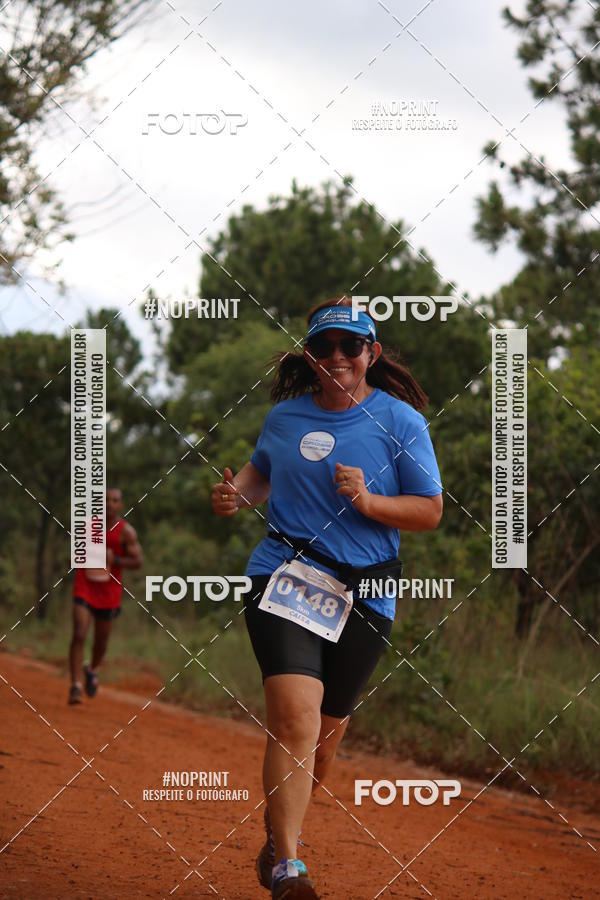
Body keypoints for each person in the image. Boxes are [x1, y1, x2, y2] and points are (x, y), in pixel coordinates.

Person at [211, 297, 443, 899]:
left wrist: (369, 503)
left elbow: (429, 510)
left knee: (325, 738)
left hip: (368, 589)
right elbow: (260, 473)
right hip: (285, 576)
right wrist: (237, 493)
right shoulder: (284, 419)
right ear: (310, 356)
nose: (336, 356)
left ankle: (275, 835)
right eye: (324, 347)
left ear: (372, 354)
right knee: (295, 719)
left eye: (350, 346)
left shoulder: (401, 423)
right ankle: (289, 868)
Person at [68, 487, 143, 705]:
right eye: (106, 500)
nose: (110, 504)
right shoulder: (87, 527)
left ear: (120, 505)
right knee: (79, 633)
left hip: (110, 590)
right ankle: (75, 686)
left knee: (101, 642)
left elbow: (138, 561)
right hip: (85, 584)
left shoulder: (125, 532)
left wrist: (114, 559)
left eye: (115, 500)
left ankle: (91, 669)